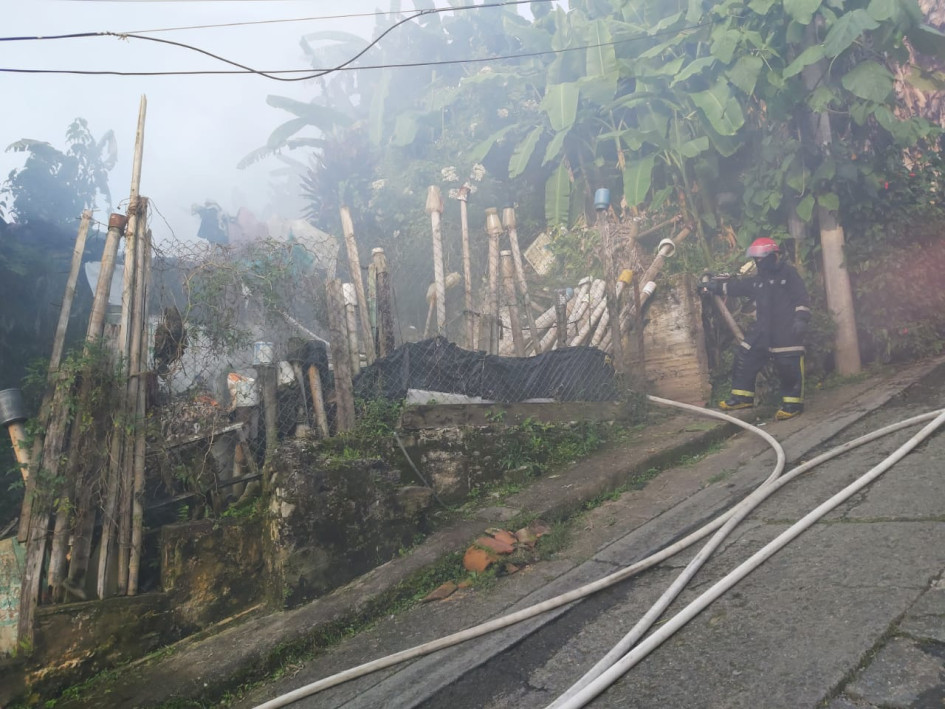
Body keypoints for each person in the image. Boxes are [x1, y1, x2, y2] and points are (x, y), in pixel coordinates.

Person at [698, 237, 811, 420]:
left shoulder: (788, 274)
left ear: (772, 256)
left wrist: (801, 319)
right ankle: (742, 397)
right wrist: (714, 287)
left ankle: (792, 405)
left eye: (760, 258)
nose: (758, 262)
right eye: (755, 259)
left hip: (786, 330)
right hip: (764, 331)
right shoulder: (759, 280)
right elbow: (738, 287)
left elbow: (801, 297)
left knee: (788, 366)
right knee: (746, 355)